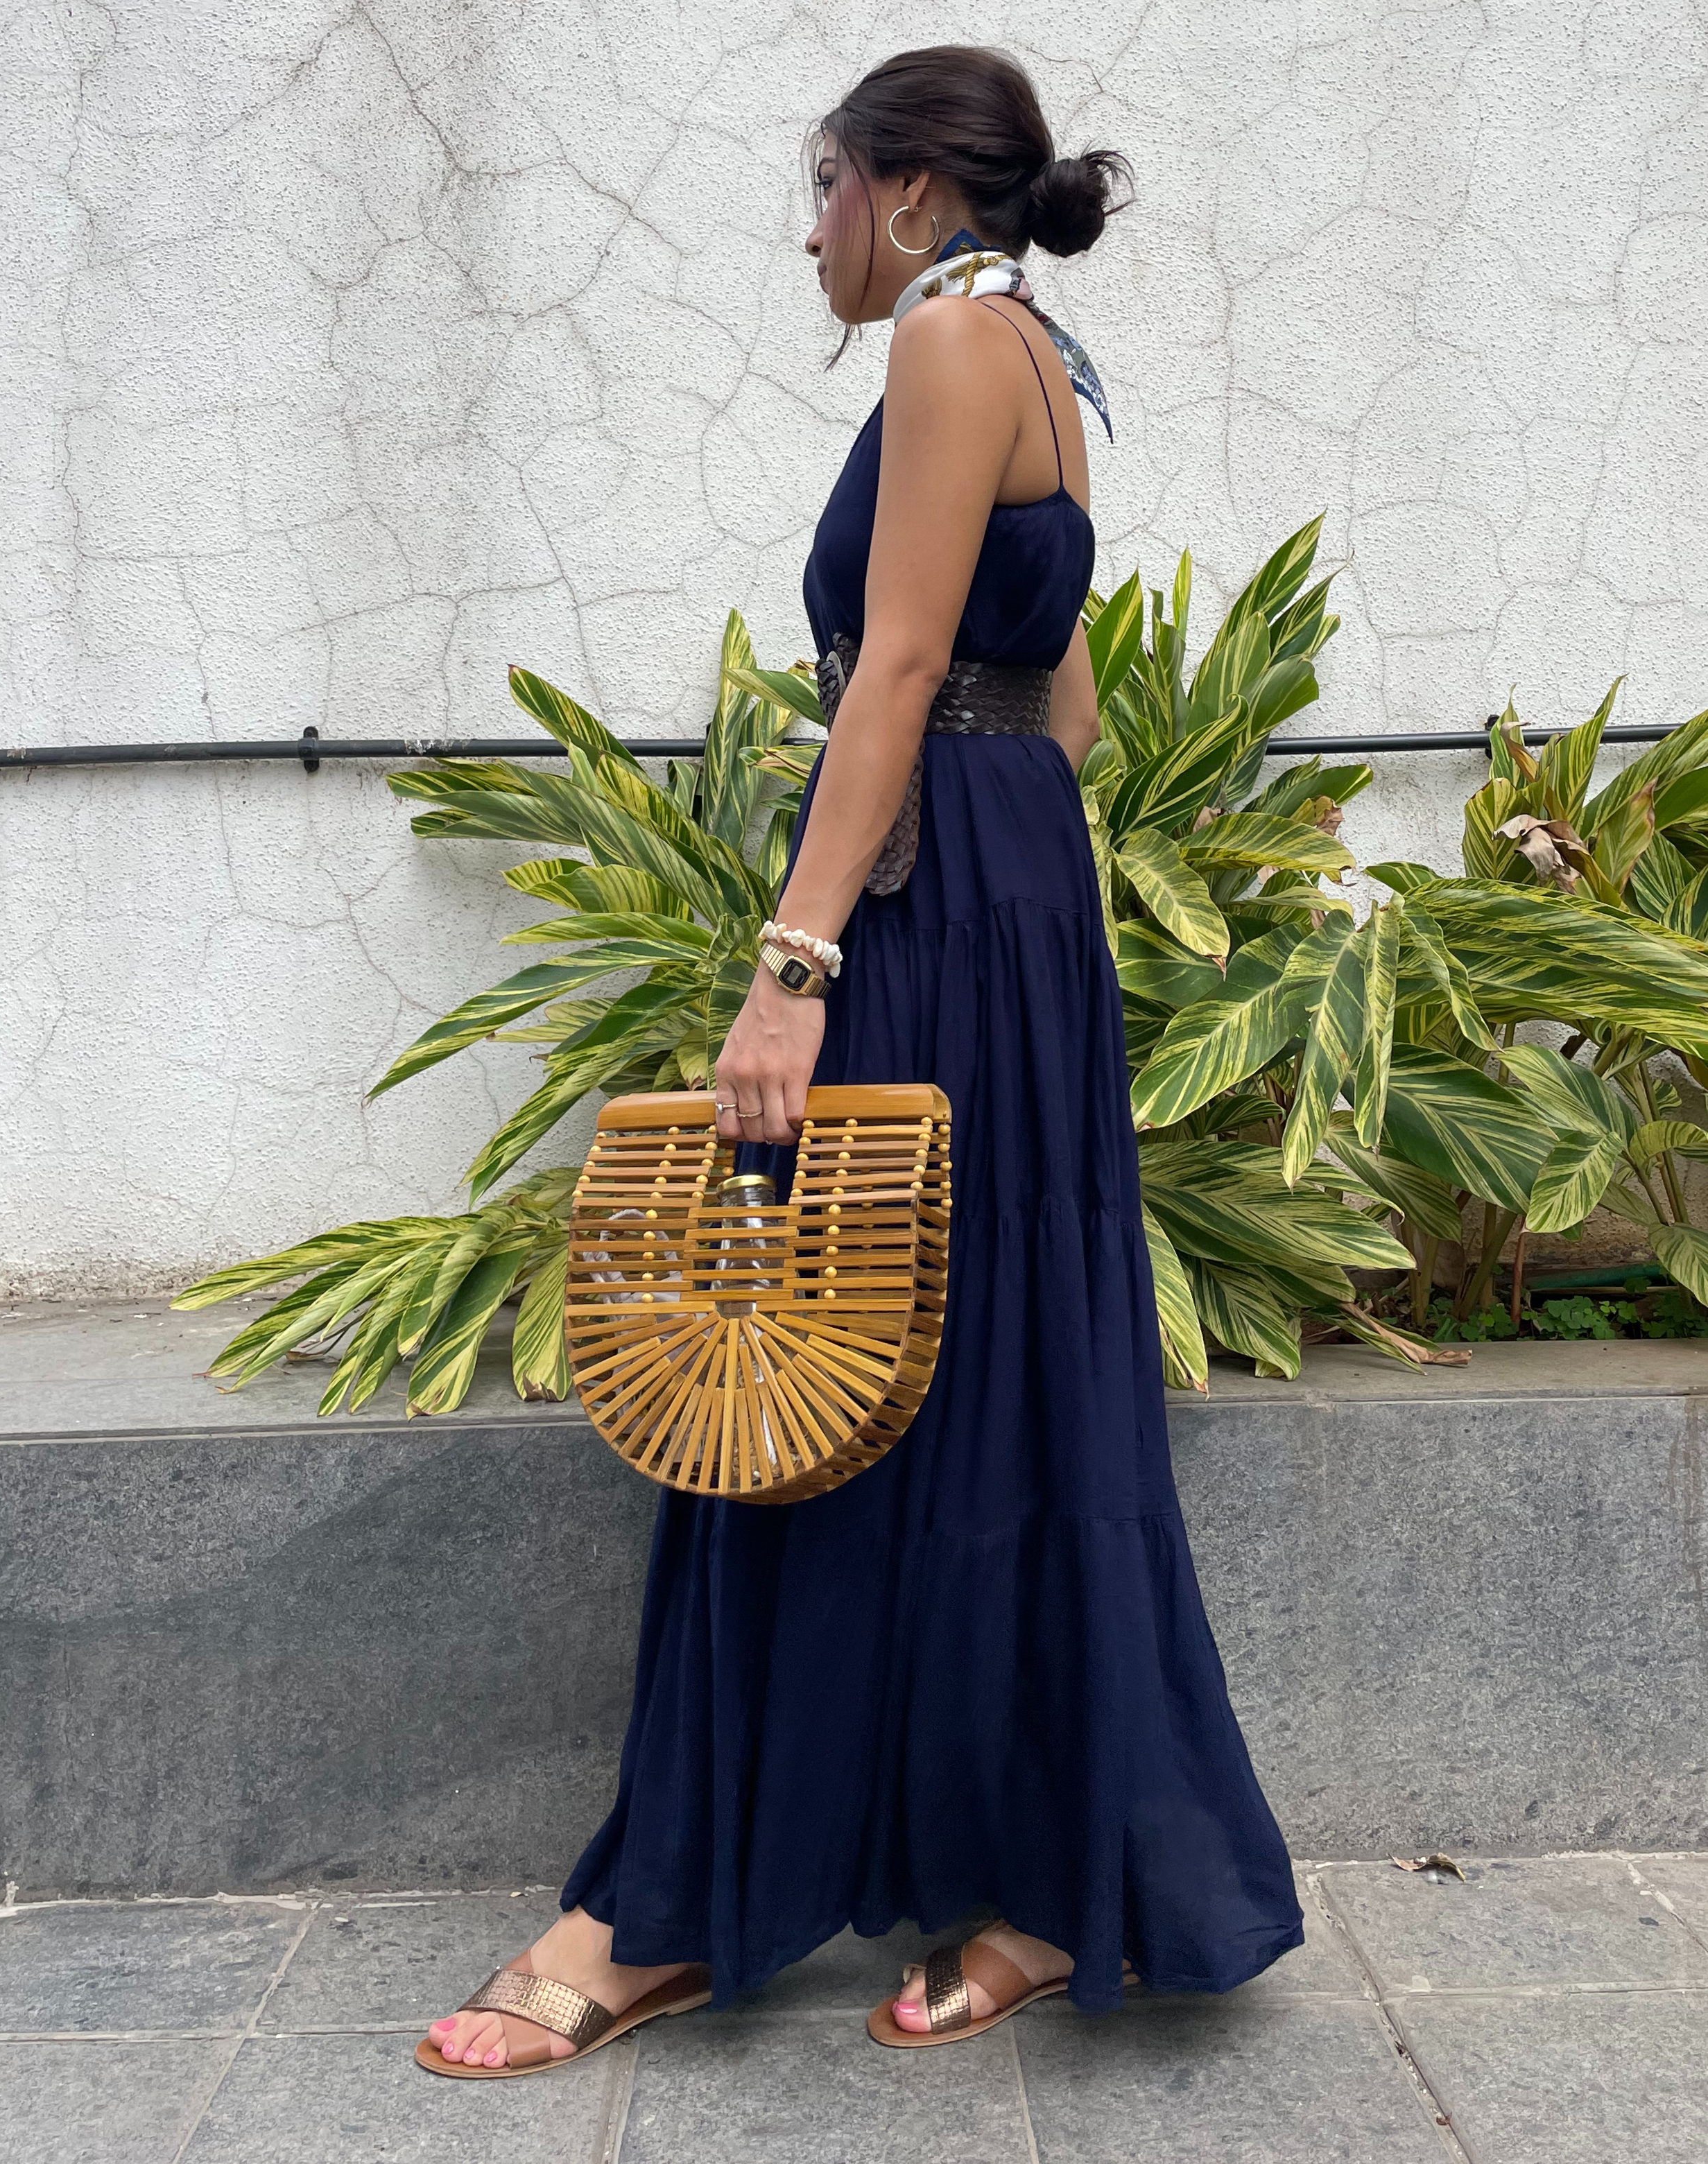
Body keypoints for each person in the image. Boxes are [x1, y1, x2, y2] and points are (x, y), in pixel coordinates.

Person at [420, 44, 1303, 2080]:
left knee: (802, 1358)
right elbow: (1058, 703)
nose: (807, 228)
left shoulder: (937, 346)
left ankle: (655, 1916)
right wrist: (998, 916)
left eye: (820, 186)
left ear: (908, 192)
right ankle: (1035, 1892)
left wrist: (799, 961)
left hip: (915, 902)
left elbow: (898, 666)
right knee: (988, 1382)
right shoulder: (1050, 367)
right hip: (1014, 898)